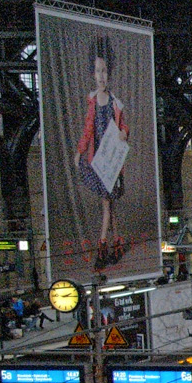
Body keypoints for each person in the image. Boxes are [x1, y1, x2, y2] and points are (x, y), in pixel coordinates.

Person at [76, 35, 131, 271]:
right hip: (97, 162)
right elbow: (88, 129)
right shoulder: (92, 101)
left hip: (112, 163)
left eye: (105, 71)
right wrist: (79, 151)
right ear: (93, 73)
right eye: (98, 71)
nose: (101, 76)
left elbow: (124, 127)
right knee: (109, 205)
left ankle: (102, 247)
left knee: (107, 206)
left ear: (110, 73)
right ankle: (116, 242)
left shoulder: (115, 103)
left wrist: (123, 134)